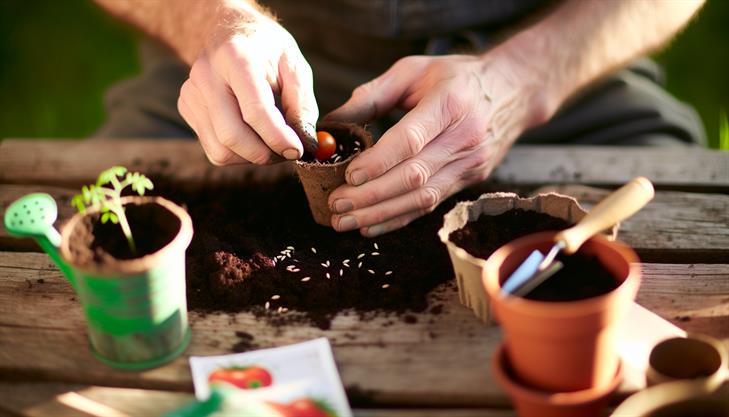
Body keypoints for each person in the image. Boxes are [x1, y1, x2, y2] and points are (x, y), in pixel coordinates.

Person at [94, 0, 705, 237]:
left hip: (550, 49)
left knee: (673, 221)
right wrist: (212, 22)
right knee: (113, 225)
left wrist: (523, 81)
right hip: (260, 59)